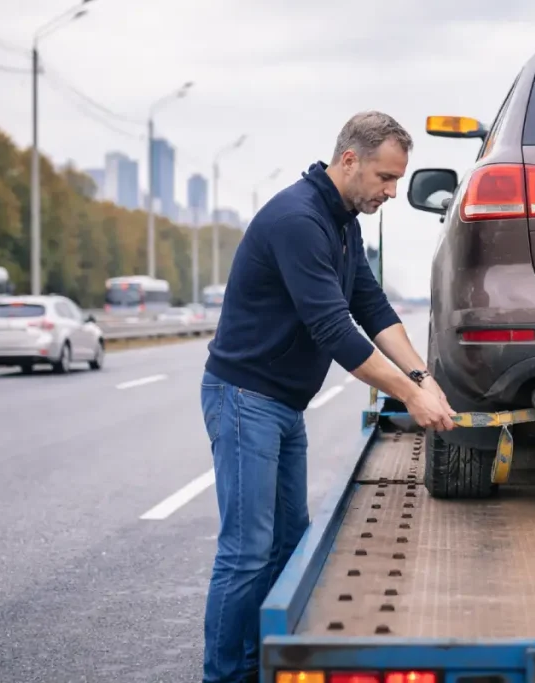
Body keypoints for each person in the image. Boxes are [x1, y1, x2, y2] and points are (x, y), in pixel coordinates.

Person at [199, 110, 456, 683]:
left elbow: (372, 307)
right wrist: (409, 396)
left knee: (289, 542)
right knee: (246, 551)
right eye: (386, 179)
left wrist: (423, 377)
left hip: (282, 405)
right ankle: (225, 675)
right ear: (349, 161)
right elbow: (334, 330)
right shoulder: (298, 219)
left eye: (396, 180)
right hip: (245, 399)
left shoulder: (343, 221)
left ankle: (258, 663)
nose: (391, 192)